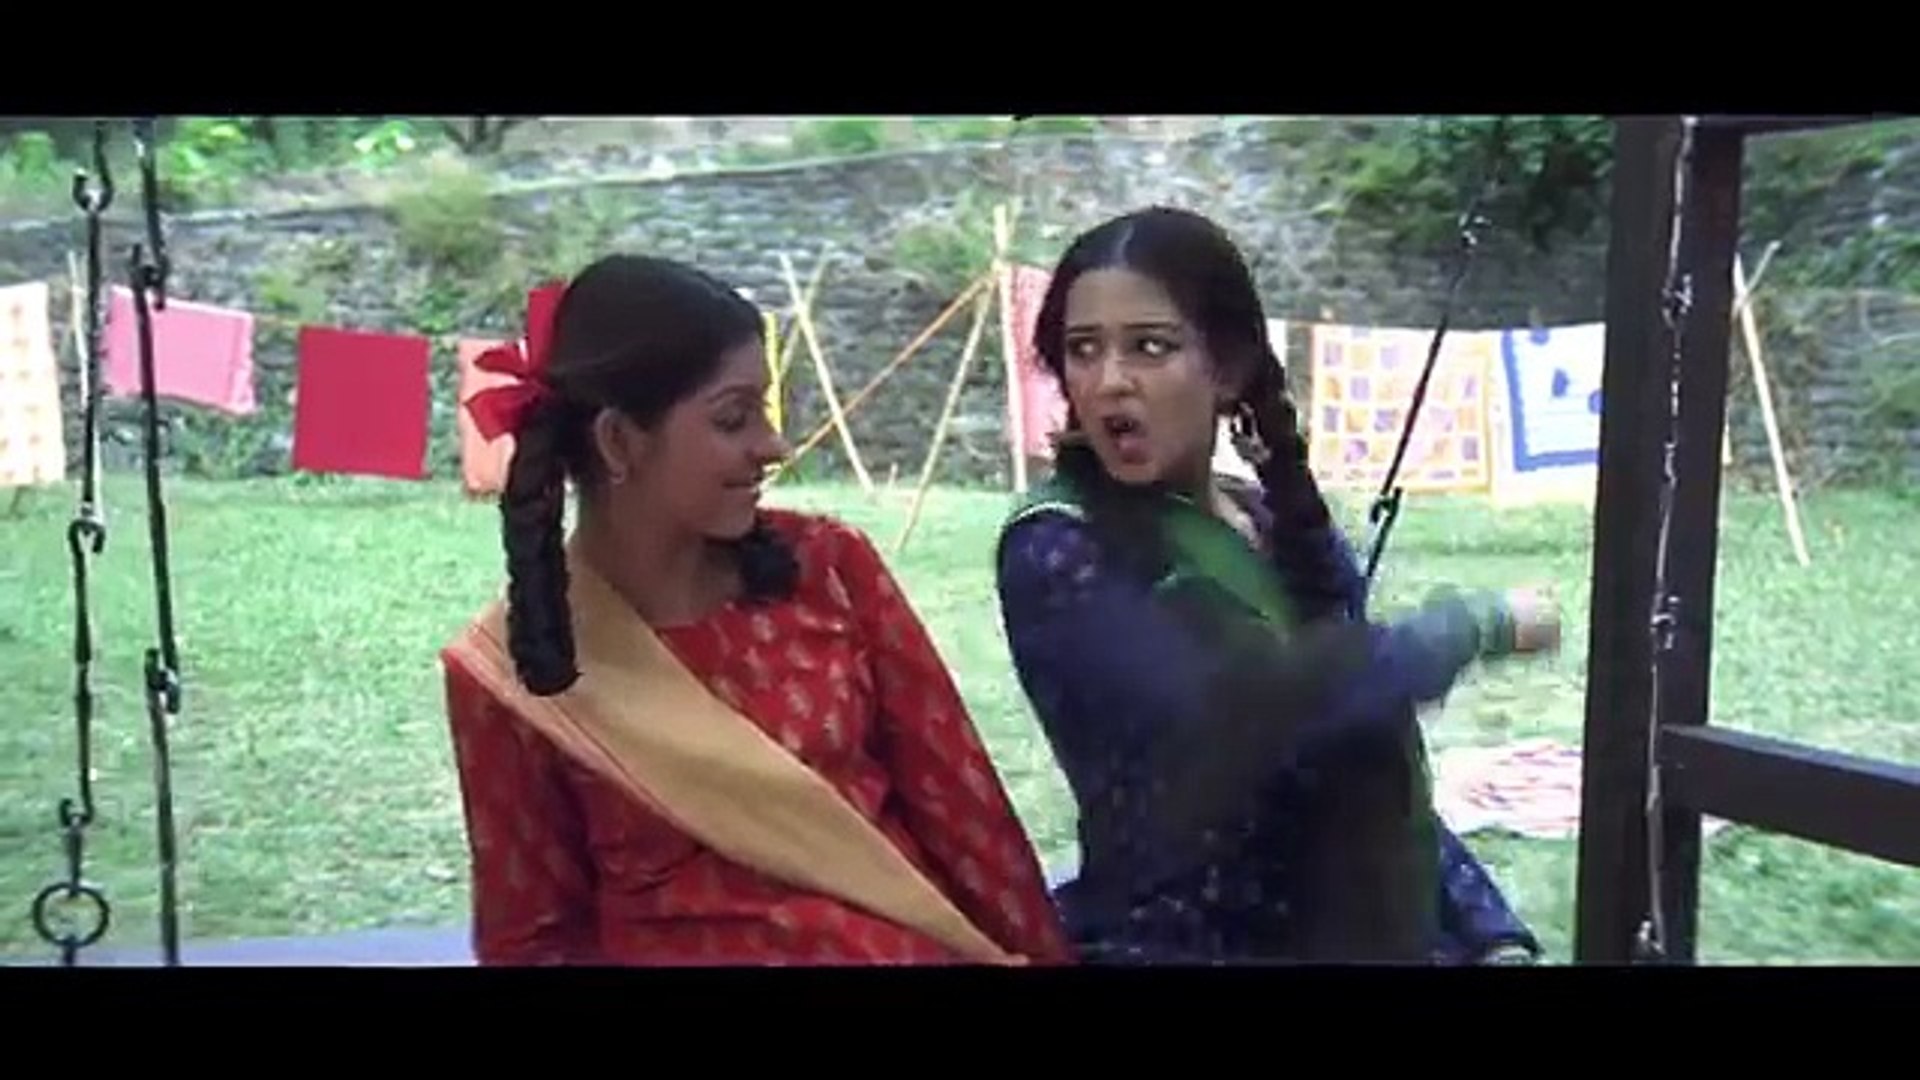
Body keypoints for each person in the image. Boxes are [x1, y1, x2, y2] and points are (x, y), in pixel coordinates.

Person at [439, 253, 1071, 967]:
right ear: (619, 441)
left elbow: (963, 812)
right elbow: (534, 941)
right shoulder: (520, 669)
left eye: (764, 412)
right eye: (733, 418)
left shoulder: (829, 568)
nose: (773, 446)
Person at [995, 207, 1559, 965]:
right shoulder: (1056, 545)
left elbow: (1365, 754)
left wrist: (1486, 930)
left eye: (1150, 347)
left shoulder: (1264, 520)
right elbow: (1251, 715)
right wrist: (1471, 626)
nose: (1110, 381)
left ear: (1227, 368)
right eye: (1082, 350)